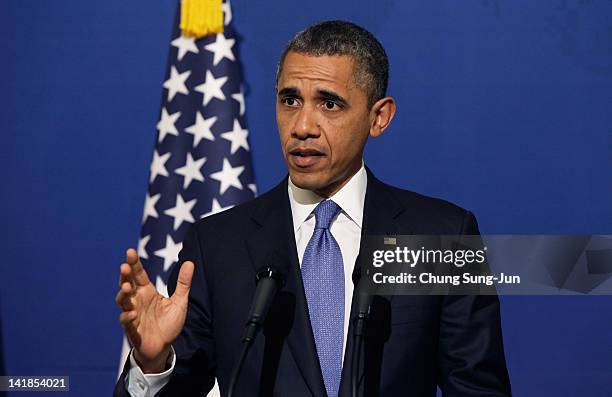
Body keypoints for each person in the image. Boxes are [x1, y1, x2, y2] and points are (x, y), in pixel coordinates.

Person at [115, 20, 511, 397]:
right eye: (290, 100)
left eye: (329, 104)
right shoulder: (216, 244)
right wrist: (152, 363)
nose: (302, 125)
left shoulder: (442, 236)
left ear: (379, 117)